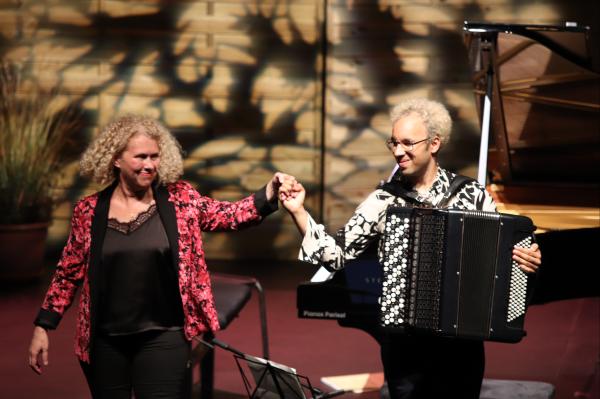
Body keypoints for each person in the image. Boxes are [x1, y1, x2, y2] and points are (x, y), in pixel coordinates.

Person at [281, 98, 542, 399]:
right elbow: (335, 256)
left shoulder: (471, 194)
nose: (397, 151)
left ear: (434, 143)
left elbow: (499, 259)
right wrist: (299, 212)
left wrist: (525, 260)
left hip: (461, 345)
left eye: (407, 143)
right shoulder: (383, 201)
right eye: (393, 143)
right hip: (404, 346)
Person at [28, 114, 297, 399]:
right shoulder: (89, 211)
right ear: (116, 159)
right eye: (140, 156)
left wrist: (269, 191)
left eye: (155, 156)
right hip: (104, 341)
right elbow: (67, 273)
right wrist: (43, 326)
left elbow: (227, 216)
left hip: (164, 336)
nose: (149, 165)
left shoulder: (180, 200)